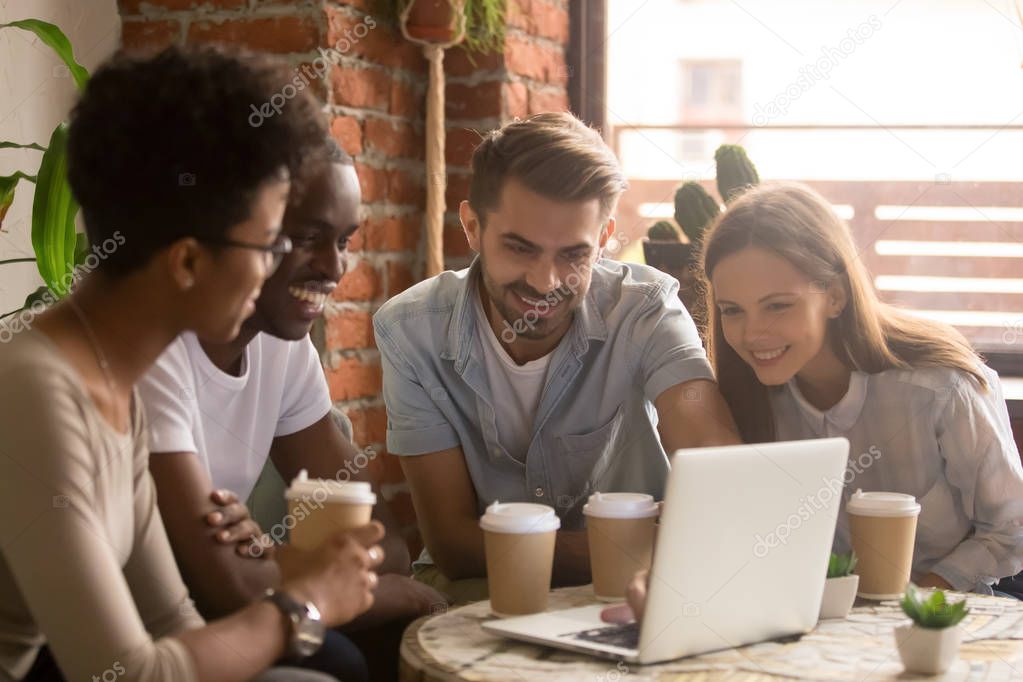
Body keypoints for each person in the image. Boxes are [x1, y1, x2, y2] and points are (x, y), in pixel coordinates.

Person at [0, 45, 384, 682]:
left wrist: (302, 589)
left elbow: (172, 625)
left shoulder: (114, 385)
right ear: (186, 262)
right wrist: (306, 601)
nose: (273, 271)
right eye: (269, 245)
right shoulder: (34, 391)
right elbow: (130, 674)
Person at [373, 112, 741, 603]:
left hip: (635, 593)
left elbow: (713, 459)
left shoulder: (645, 309)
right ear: (472, 226)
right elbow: (454, 546)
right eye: (520, 248)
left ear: (605, 236)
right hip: (484, 589)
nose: (545, 283)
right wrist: (638, 548)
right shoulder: (409, 330)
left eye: (573, 255)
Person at [612, 182, 1023, 621]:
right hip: (812, 624)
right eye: (733, 310)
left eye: (777, 306)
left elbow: (1012, 530)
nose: (752, 335)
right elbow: (736, 536)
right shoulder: (742, 402)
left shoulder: (943, 388)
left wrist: (912, 601)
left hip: (941, 622)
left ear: (835, 296)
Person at [137, 138, 447, 682]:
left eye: (345, 240)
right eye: (305, 238)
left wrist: (270, 559)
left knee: (376, 645)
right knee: (350, 653)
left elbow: (387, 542)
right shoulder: (153, 352)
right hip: (136, 628)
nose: (333, 267)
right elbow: (218, 588)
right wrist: (364, 591)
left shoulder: (282, 345)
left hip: (229, 611)